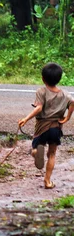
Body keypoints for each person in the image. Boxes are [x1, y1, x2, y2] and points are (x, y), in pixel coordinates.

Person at [18, 62, 74, 190]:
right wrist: (67, 117)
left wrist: (26, 119)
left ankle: (36, 152)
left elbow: (38, 108)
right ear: (59, 78)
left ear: (43, 78)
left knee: (37, 146)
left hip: (42, 127)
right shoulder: (65, 94)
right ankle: (48, 181)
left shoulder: (41, 91)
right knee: (52, 154)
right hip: (56, 128)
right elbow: (73, 103)